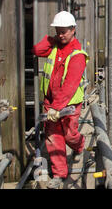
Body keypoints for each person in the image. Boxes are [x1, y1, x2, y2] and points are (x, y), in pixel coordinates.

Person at [32, 11, 89, 189]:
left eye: (64, 31)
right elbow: (37, 50)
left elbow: (70, 86)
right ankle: (59, 174)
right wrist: (52, 39)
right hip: (51, 102)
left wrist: (57, 108)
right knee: (53, 137)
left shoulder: (77, 55)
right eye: (58, 31)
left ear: (73, 30)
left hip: (69, 104)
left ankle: (79, 146)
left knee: (70, 134)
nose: (61, 34)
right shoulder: (55, 46)